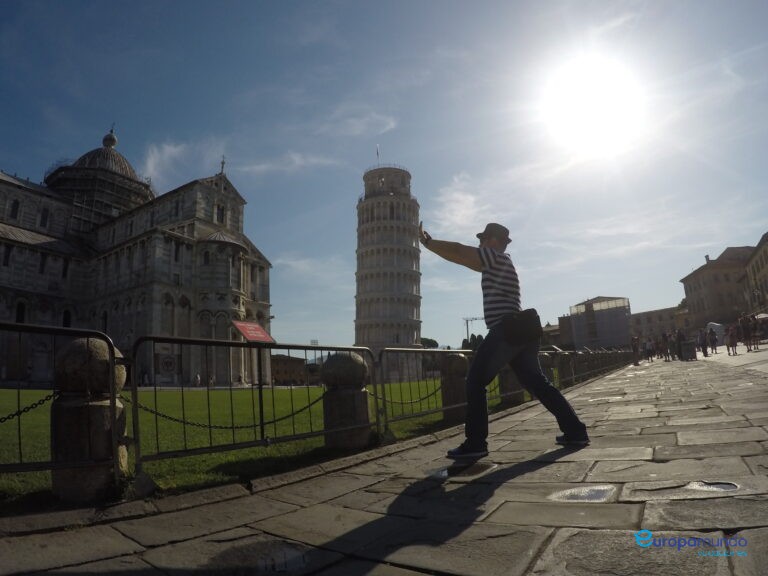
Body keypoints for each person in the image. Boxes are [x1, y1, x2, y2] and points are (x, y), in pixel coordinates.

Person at [419, 221, 589, 459]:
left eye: (482, 239)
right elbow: (463, 258)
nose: (479, 244)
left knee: (476, 382)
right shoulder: (500, 262)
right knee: (539, 384)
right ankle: (575, 430)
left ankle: (476, 443)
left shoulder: (495, 258)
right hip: (523, 332)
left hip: (506, 331)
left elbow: (459, 251)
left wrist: (429, 243)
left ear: (493, 241)